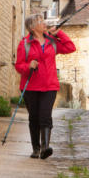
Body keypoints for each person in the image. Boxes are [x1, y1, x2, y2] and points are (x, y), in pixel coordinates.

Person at [15, 14, 76, 159]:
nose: (44, 23)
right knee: (34, 118)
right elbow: (18, 66)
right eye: (40, 21)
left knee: (45, 116)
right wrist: (28, 65)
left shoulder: (52, 42)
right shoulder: (25, 44)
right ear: (32, 27)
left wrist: (58, 33)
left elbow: (70, 47)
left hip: (49, 86)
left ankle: (45, 147)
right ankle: (35, 149)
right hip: (30, 87)